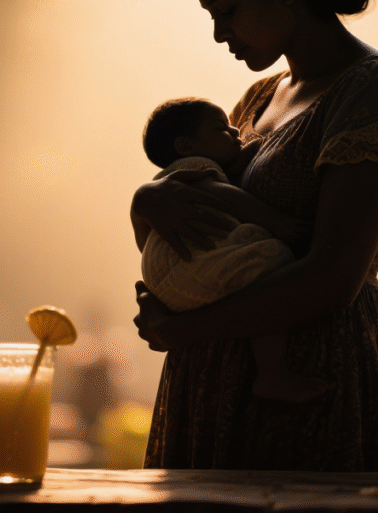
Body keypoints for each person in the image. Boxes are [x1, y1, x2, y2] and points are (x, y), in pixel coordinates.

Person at [130, 0, 378, 471]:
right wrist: (147, 198)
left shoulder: (372, 91)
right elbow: (203, 225)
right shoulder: (257, 99)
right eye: (212, 16)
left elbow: (334, 276)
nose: (221, 34)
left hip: (319, 372)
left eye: (229, 9)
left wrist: (186, 329)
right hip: (210, 374)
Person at [139, 96, 329, 402]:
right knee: (272, 262)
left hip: (170, 273)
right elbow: (226, 195)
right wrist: (275, 221)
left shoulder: (178, 174)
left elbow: (234, 174)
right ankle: (271, 373)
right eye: (221, 129)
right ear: (186, 147)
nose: (235, 132)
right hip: (190, 264)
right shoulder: (194, 170)